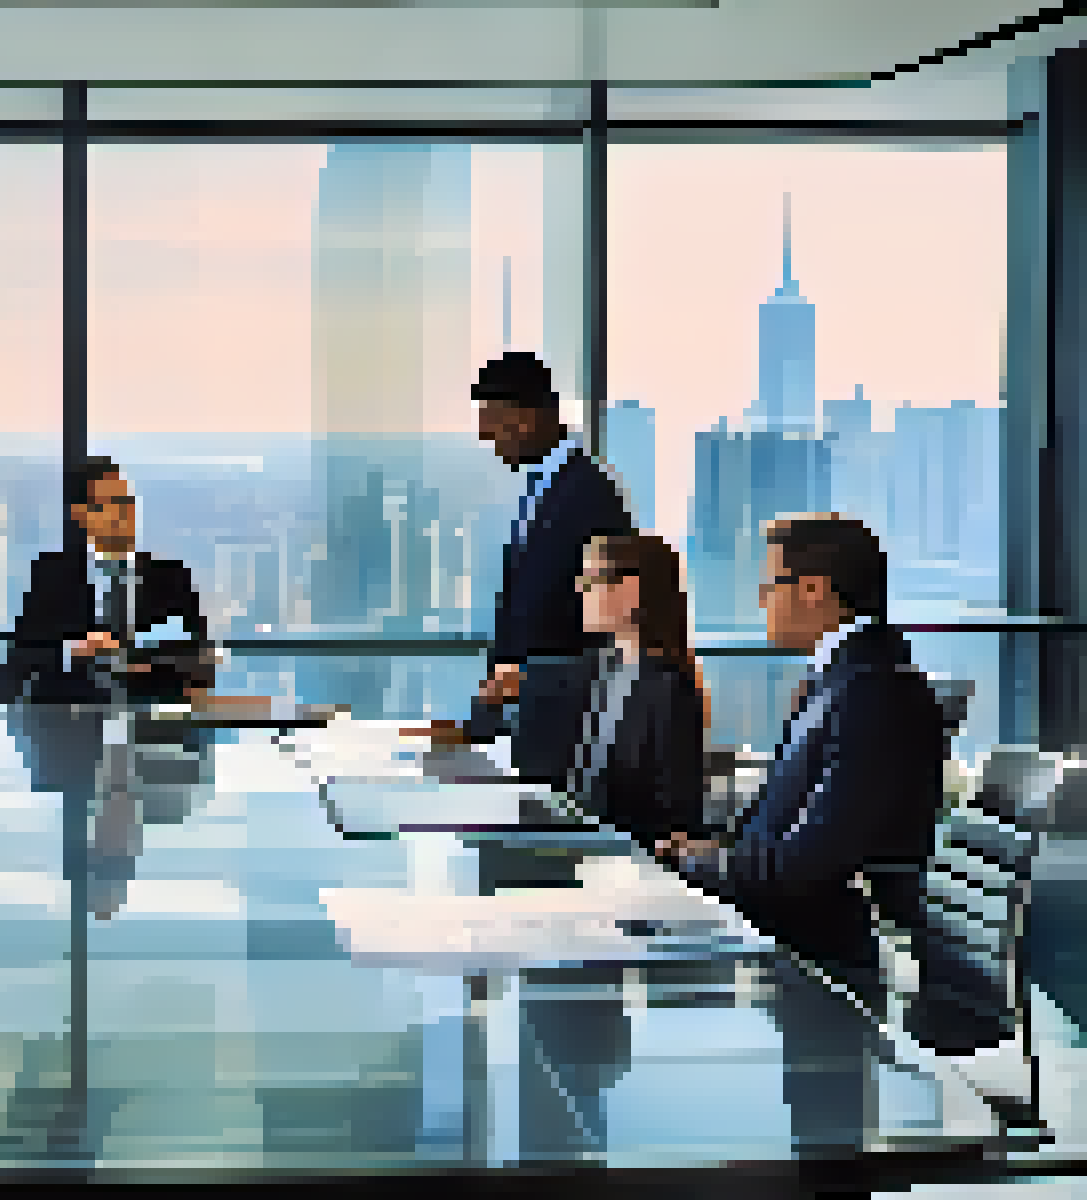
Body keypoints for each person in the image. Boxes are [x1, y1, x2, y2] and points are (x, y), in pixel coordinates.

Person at [654, 515, 970, 1146]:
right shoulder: (845, 679)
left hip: (830, 956)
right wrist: (711, 854)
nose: (761, 602)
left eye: (770, 585)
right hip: (806, 933)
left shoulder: (871, 691)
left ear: (814, 589)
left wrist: (698, 865)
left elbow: (811, 864)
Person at [408, 353, 633, 783]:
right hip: (530, 724)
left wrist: (529, 684)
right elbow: (519, 618)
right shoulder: (543, 487)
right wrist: (478, 726)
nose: (486, 436)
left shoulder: (591, 495)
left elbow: (609, 632)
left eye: (492, 422)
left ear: (526, 418)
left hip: (566, 734)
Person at [1, 456, 216, 706]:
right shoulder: (52, 577)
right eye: (109, 504)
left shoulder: (173, 578)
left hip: (150, 716)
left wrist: (140, 656)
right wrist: (74, 650)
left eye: (126, 502)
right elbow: (20, 662)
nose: (121, 513)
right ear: (82, 515)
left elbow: (201, 665)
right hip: (72, 716)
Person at [556, 531, 714, 851]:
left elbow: (675, 821)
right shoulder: (607, 671)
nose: (579, 590)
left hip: (630, 864)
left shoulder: (670, 689)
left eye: (591, 579)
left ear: (632, 590)